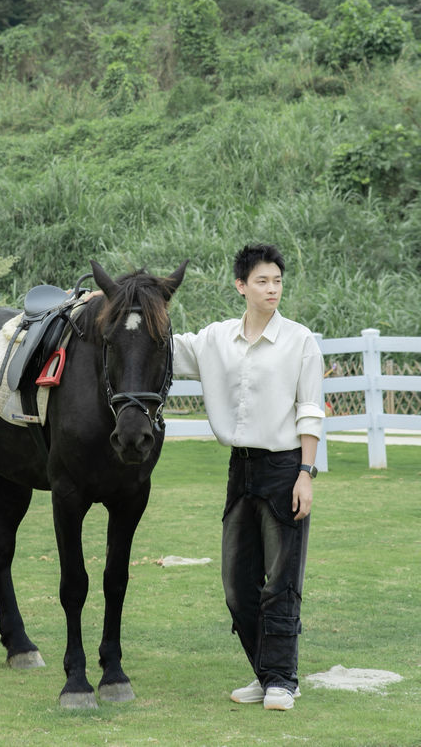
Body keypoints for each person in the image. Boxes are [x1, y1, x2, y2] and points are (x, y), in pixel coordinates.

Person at [172, 243, 324, 711]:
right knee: (238, 586)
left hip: (285, 469)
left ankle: (282, 680)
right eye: (262, 281)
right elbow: (165, 349)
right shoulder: (214, 340)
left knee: (281, 581)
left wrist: (306, 473)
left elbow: (311, 411)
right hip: (240, 469)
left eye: (277, 280)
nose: (272, 288)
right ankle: (265, 672)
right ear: (241, 286)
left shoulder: (300, 341)